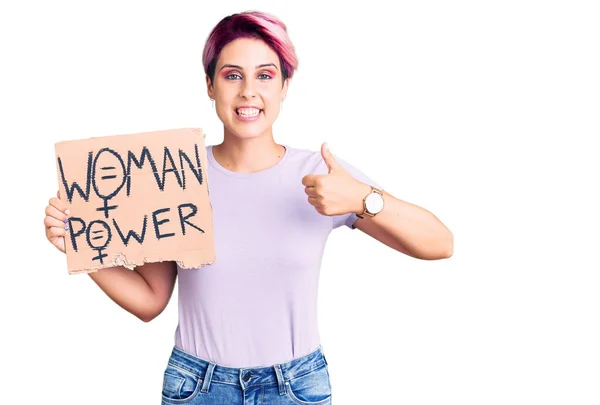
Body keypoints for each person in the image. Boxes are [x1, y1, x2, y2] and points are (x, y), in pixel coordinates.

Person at [43, 10, 453, 405]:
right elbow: (150, 300)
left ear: (285, 87)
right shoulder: (177, 174)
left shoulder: (320, 173)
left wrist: (363, 200)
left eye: (265, 76)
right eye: (232, 75)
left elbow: (440, 243)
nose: (248, 92)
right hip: (197, 386)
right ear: (210, 84)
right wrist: (81, 248)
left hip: (296, 387)